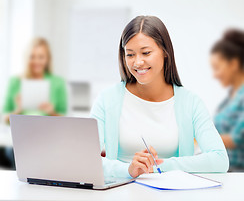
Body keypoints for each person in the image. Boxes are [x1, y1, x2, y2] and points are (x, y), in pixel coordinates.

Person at [90, 15, 229, 178]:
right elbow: (88, 161)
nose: (137, 62)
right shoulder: (107, 100)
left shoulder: (190, 103)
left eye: (146, 52)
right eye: (130, 54)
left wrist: (159, 165)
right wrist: (128, 170)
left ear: (165, 52)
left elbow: (220, 160)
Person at [2, 37, 67, 123]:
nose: (36, 61)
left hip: (48, 131)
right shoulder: (15, 81)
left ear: (47, 59)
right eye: (32, 56)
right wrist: (17, 110)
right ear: (26, 57)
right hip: (20, 131)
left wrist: (52, 112)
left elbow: (65, 120)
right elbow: (4, 118)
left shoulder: (58, 82)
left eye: (41, 57)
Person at [210, 29, 244, 171]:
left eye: (217, 68)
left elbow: (237, 138)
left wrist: (198, 137)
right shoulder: (228, 100)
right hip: (224, 169)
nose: (215, 75)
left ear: (234, 64)